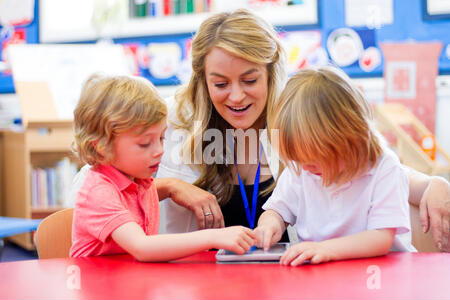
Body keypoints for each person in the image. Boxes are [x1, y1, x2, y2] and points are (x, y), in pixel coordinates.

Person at [70, 9, 450, 251]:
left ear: (271, 72)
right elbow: (92, 181)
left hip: (287, 279)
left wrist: (434, 183)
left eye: (249, 79)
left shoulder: (297, 114)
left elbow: (364, 162)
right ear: (202, 79)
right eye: (220, 84)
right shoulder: (170, 122)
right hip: (197, 283)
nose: (236, 96)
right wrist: (169, 187)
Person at [70, 74, 256, 261]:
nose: (160, 151)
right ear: (101, 147)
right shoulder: (98, 190)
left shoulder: (140, 181)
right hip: (98, 286)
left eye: (161, 138)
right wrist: (213, 237)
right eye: (144, 143)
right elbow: (142, 247)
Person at [255, 66, 415, 266]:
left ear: (350, 139)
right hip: (324, 273)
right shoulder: (301, 169)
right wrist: (270, 224)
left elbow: (380, 238)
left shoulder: (384, 168)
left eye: (314, 159)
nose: (305, 168)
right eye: (299, 159)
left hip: (381, 273)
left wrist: (325, 249)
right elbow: (277, 210)